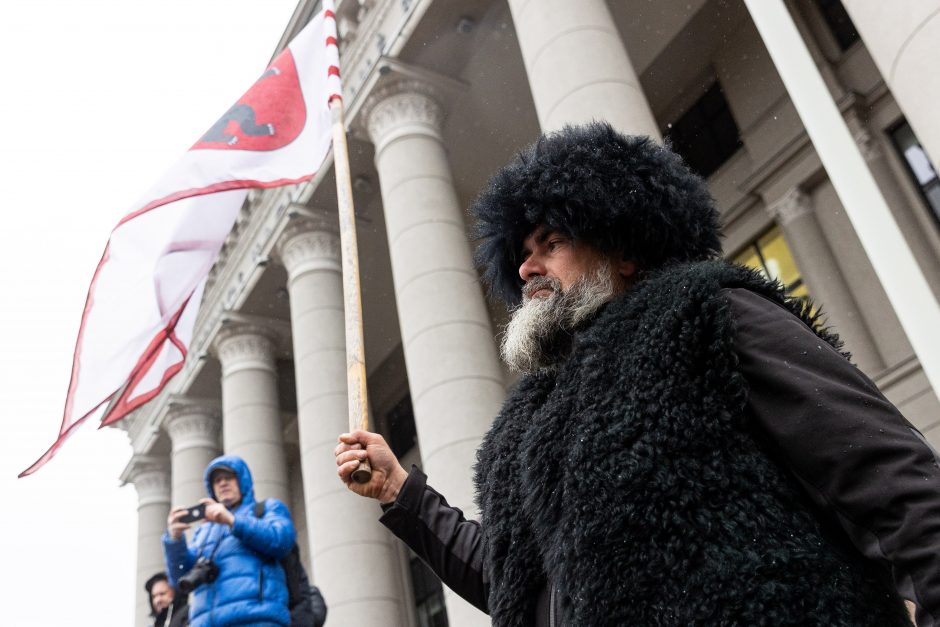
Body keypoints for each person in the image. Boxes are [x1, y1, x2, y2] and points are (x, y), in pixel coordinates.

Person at [336, 122, 940, 626]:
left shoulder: (706, 311)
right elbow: (516, 584)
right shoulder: (530, 418)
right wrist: (401, 494)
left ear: (624, 245)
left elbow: (887, 479)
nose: (527, 268)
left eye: (550, 242)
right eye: (521, 253)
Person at [163, 455, 296, 627]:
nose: (222, 483)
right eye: (217, 481)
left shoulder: (267, 509)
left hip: (256, 619)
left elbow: (281, 542)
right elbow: (179, 578)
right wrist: (175, 540)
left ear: (242, 481)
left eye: (228, 478)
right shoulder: (203, 531)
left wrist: (232, 521)